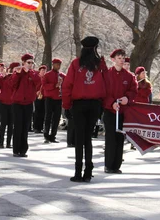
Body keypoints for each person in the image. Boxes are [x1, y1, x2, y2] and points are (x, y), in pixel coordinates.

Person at [62, 36, 107, 182]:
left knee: (79, 138)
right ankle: (88, 170)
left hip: (79, 104)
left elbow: (67, 85)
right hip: (95, 104)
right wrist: (104, 104)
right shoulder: (100, 64)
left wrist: (66, 105)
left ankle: (77, 171)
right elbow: (107, 84)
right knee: (88, 138)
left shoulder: (76, 64)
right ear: (95, 49)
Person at [103, 49, 137, 174]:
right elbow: (103, 92)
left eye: (123, 58)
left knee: (120, 138)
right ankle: (108, 165)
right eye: (119, 58)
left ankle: (116, 165)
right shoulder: (106, 74)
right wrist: (111, 103)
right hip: (110, 111)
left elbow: (134, 90)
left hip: (123, 112)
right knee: (110, 138)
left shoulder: (129, 76)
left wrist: (127, 98)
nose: (122, 60)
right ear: (113, 60)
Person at [10, 53, 41, 157]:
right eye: (28, 62)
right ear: (23, 63)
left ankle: (23, 149)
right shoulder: (17, 72)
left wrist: (30, 73)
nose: (30, 64)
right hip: (17, 103)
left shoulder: (34, 73)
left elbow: (39, 82)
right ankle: (16, 149)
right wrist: (18, 74)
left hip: (28, 102)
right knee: (18, 126)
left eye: (32, 63)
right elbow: (12, 85)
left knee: (26, 126)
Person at [0, 62, 20, 148]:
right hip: (3, 102)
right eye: (15, 68)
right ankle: (1, 142)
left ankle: (9, 143)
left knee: (11, 124)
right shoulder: (4, 78)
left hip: (13, 103)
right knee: (3, 123)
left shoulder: (19, 79)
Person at [42, 58, 65, 143]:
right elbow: (44, 86)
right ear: (53, 65)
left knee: (57, 118)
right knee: (48, 117)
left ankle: (53, 136)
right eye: (56, 64)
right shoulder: (47, 75)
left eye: (59, 65)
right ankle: (46, 135)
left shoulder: (62, 75)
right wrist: (54, 85)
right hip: (49, 98)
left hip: (58, 99)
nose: (58, 66)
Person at [32, 64, 47, 134]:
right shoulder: (37, 78)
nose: (44, 72)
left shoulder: (46, 78)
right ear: (39, 71)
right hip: (37, 96)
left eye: (45, 70)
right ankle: (36, 127)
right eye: (42, 70)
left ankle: (40, 127)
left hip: (44, 96)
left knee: (43, 112)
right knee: (37, 111)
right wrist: (35, 92)